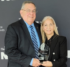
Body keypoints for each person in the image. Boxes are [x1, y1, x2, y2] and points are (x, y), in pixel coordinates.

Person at [5, 1, 42, 67]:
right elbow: (10, 51)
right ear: (21, 12)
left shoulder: (40, 27)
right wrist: (30, 61)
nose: (31, 13)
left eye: (34, 11)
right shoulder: (13, 28)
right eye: (28, 10)